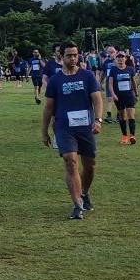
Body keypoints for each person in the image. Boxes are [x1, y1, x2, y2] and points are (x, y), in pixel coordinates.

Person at [42, 40, 103, 220]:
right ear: (61, 57)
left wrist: (98, 120)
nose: (73, 58)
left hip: (86, 127)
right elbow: (49, 108)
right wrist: (44, 130)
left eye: (75, 55)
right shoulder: (55, 80)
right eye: (69, 55)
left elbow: (97, 100)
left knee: (90, 166)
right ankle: (77, 205)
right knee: (70, 161)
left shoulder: (87, 76)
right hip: (64, 127)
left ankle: (84, 193)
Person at [107, 52, 139, 144]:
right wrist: (113, 94)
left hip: (129, 95)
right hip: (118, 96)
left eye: (122, 57)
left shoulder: (130, 69)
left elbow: (134, 82)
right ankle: (124, 136)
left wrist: (136, 94)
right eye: (119, 57)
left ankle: (132, 135)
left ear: (125, 59)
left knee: (131, 115)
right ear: (116, 59)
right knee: (122, 116)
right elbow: (110, 83)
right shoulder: (113, 70)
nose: (120, 59)